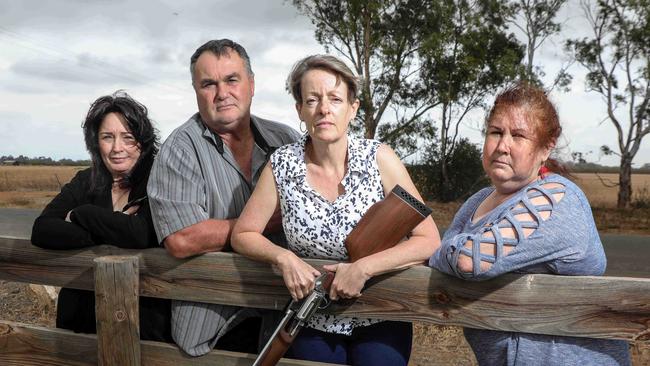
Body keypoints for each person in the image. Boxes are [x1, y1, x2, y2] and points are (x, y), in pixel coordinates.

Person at [231, 54, 441, 366]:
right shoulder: (282, 165)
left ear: (353, 108)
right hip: (313, 319)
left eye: (335, 99)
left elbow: (428, 239)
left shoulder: (380, 159)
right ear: (300, 110)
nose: (324, 109)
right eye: (312, 99)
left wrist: (364, 268)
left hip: (381, 314)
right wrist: (283, 257)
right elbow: (243, 234)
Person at [428, 82, 631, 366]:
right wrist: (445, 252)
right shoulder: (477, 201)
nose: (502, 146)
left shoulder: (557, 198)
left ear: (545, 148)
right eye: (495, 132)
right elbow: (446, 255)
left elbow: (470, 261)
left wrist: (443, 250)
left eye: (518, 135)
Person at [146, 39, 300, 356]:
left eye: (232, 79)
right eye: (208, 84)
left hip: (287, 310)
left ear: (251, 84)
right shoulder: (180, 149)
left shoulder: (286, 139)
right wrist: (264, 223)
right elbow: (182, 239)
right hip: (216, 321)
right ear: (196, 91)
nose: (222, 93)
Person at [31, 91, 171, 342]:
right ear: (96, 142)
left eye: (128, 138)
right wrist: (111, 230)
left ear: (144, 141)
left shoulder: (159, 181)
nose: (118, 148)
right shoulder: (86, 180)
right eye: (108, 137)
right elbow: (42, 230)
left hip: (143, 323)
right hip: (80, 320)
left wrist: (82, 214)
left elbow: (142, 233)